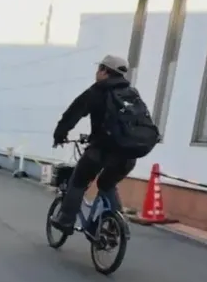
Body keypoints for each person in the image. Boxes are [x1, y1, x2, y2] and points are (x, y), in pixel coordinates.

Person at [49, 55, 153, 235]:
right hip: (129, 154)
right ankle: (115, 224)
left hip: (101, 151)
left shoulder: (96, 91)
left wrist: (59, 135)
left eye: (99, 69)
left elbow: (72, 115)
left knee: (78, 181)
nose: (97, 73)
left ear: (104, 71)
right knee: (107, 184)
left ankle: (65, 220)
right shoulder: (132, 93)